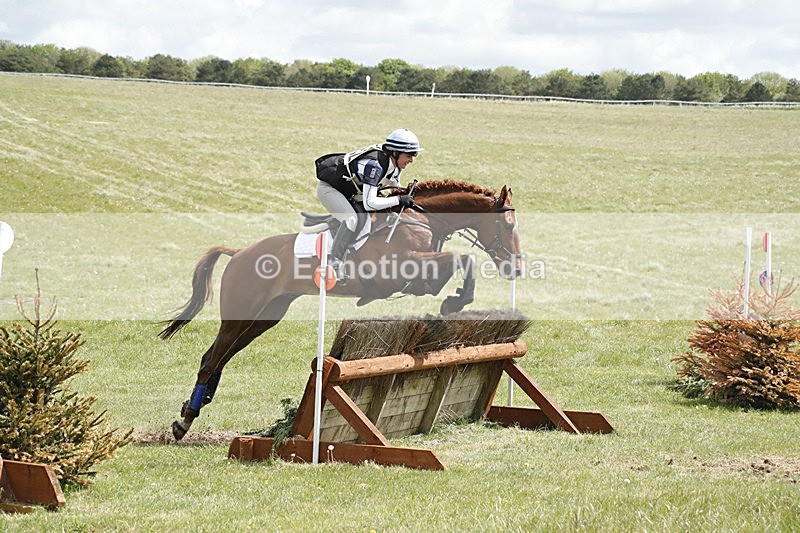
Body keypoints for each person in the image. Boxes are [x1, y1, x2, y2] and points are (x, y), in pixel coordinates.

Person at [314, 128, 421, 279]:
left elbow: (394, 187)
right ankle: (334, 263)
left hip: (352, 192)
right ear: (395, 153)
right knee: (351, 219)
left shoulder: (395, 165)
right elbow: (370, 203)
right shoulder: (374, 166)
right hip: (330, 189)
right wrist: (398, 200)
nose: (411, 160)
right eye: (409, 155)